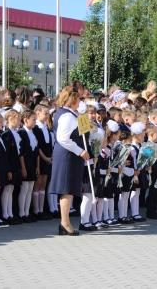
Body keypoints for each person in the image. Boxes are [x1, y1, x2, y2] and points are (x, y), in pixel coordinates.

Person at [48, 87, 89, 236]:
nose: (80, 101)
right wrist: (81, 151)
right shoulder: (67, 116)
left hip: (69, 155)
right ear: (72, 101)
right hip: (67, 155)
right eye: (78, 99)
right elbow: (63, 138)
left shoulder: (70, 114)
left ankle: (64, 223)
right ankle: (65, 223)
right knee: (66, 189)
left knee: (69, 189)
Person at [18, 110, 39, 222]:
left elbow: (35, 152)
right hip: (25, 163)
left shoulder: (33, 133)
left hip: (32, 163)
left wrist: (37, 166)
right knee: (24, 188)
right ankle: (22, 213)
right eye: (33, 119)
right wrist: (23, 167)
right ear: (26, 120)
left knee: (30, 188)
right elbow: (21, 153)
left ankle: (27, 212)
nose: (35, 121)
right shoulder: (22, 132)